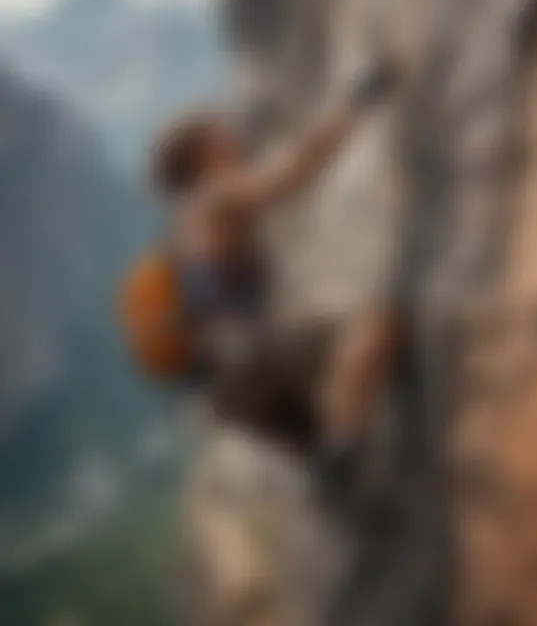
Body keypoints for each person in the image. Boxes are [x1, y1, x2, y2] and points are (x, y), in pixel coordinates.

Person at [125, 57, 402, 501]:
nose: (235, 135)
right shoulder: (216, 193)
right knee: (376, 325)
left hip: (227, 391)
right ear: (204, 154)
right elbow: (289, 172)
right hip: (255, 363)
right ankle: (339, 458)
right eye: (221, 131)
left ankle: (335, 476)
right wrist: (357, 101)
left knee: (329, 457)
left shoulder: (183, 225)